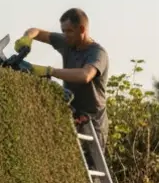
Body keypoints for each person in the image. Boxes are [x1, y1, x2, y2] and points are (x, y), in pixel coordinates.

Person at [15, 8, 110, 141]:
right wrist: (27, 37)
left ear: (82, 29)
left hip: (93, 123)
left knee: (90, 161)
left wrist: (50, 71)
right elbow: (37, 32)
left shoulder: (97, 53)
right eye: (63, 31)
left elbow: (85, 75)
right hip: (72, 114)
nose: (65, 35)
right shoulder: (67, 42)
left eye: (69, 31)